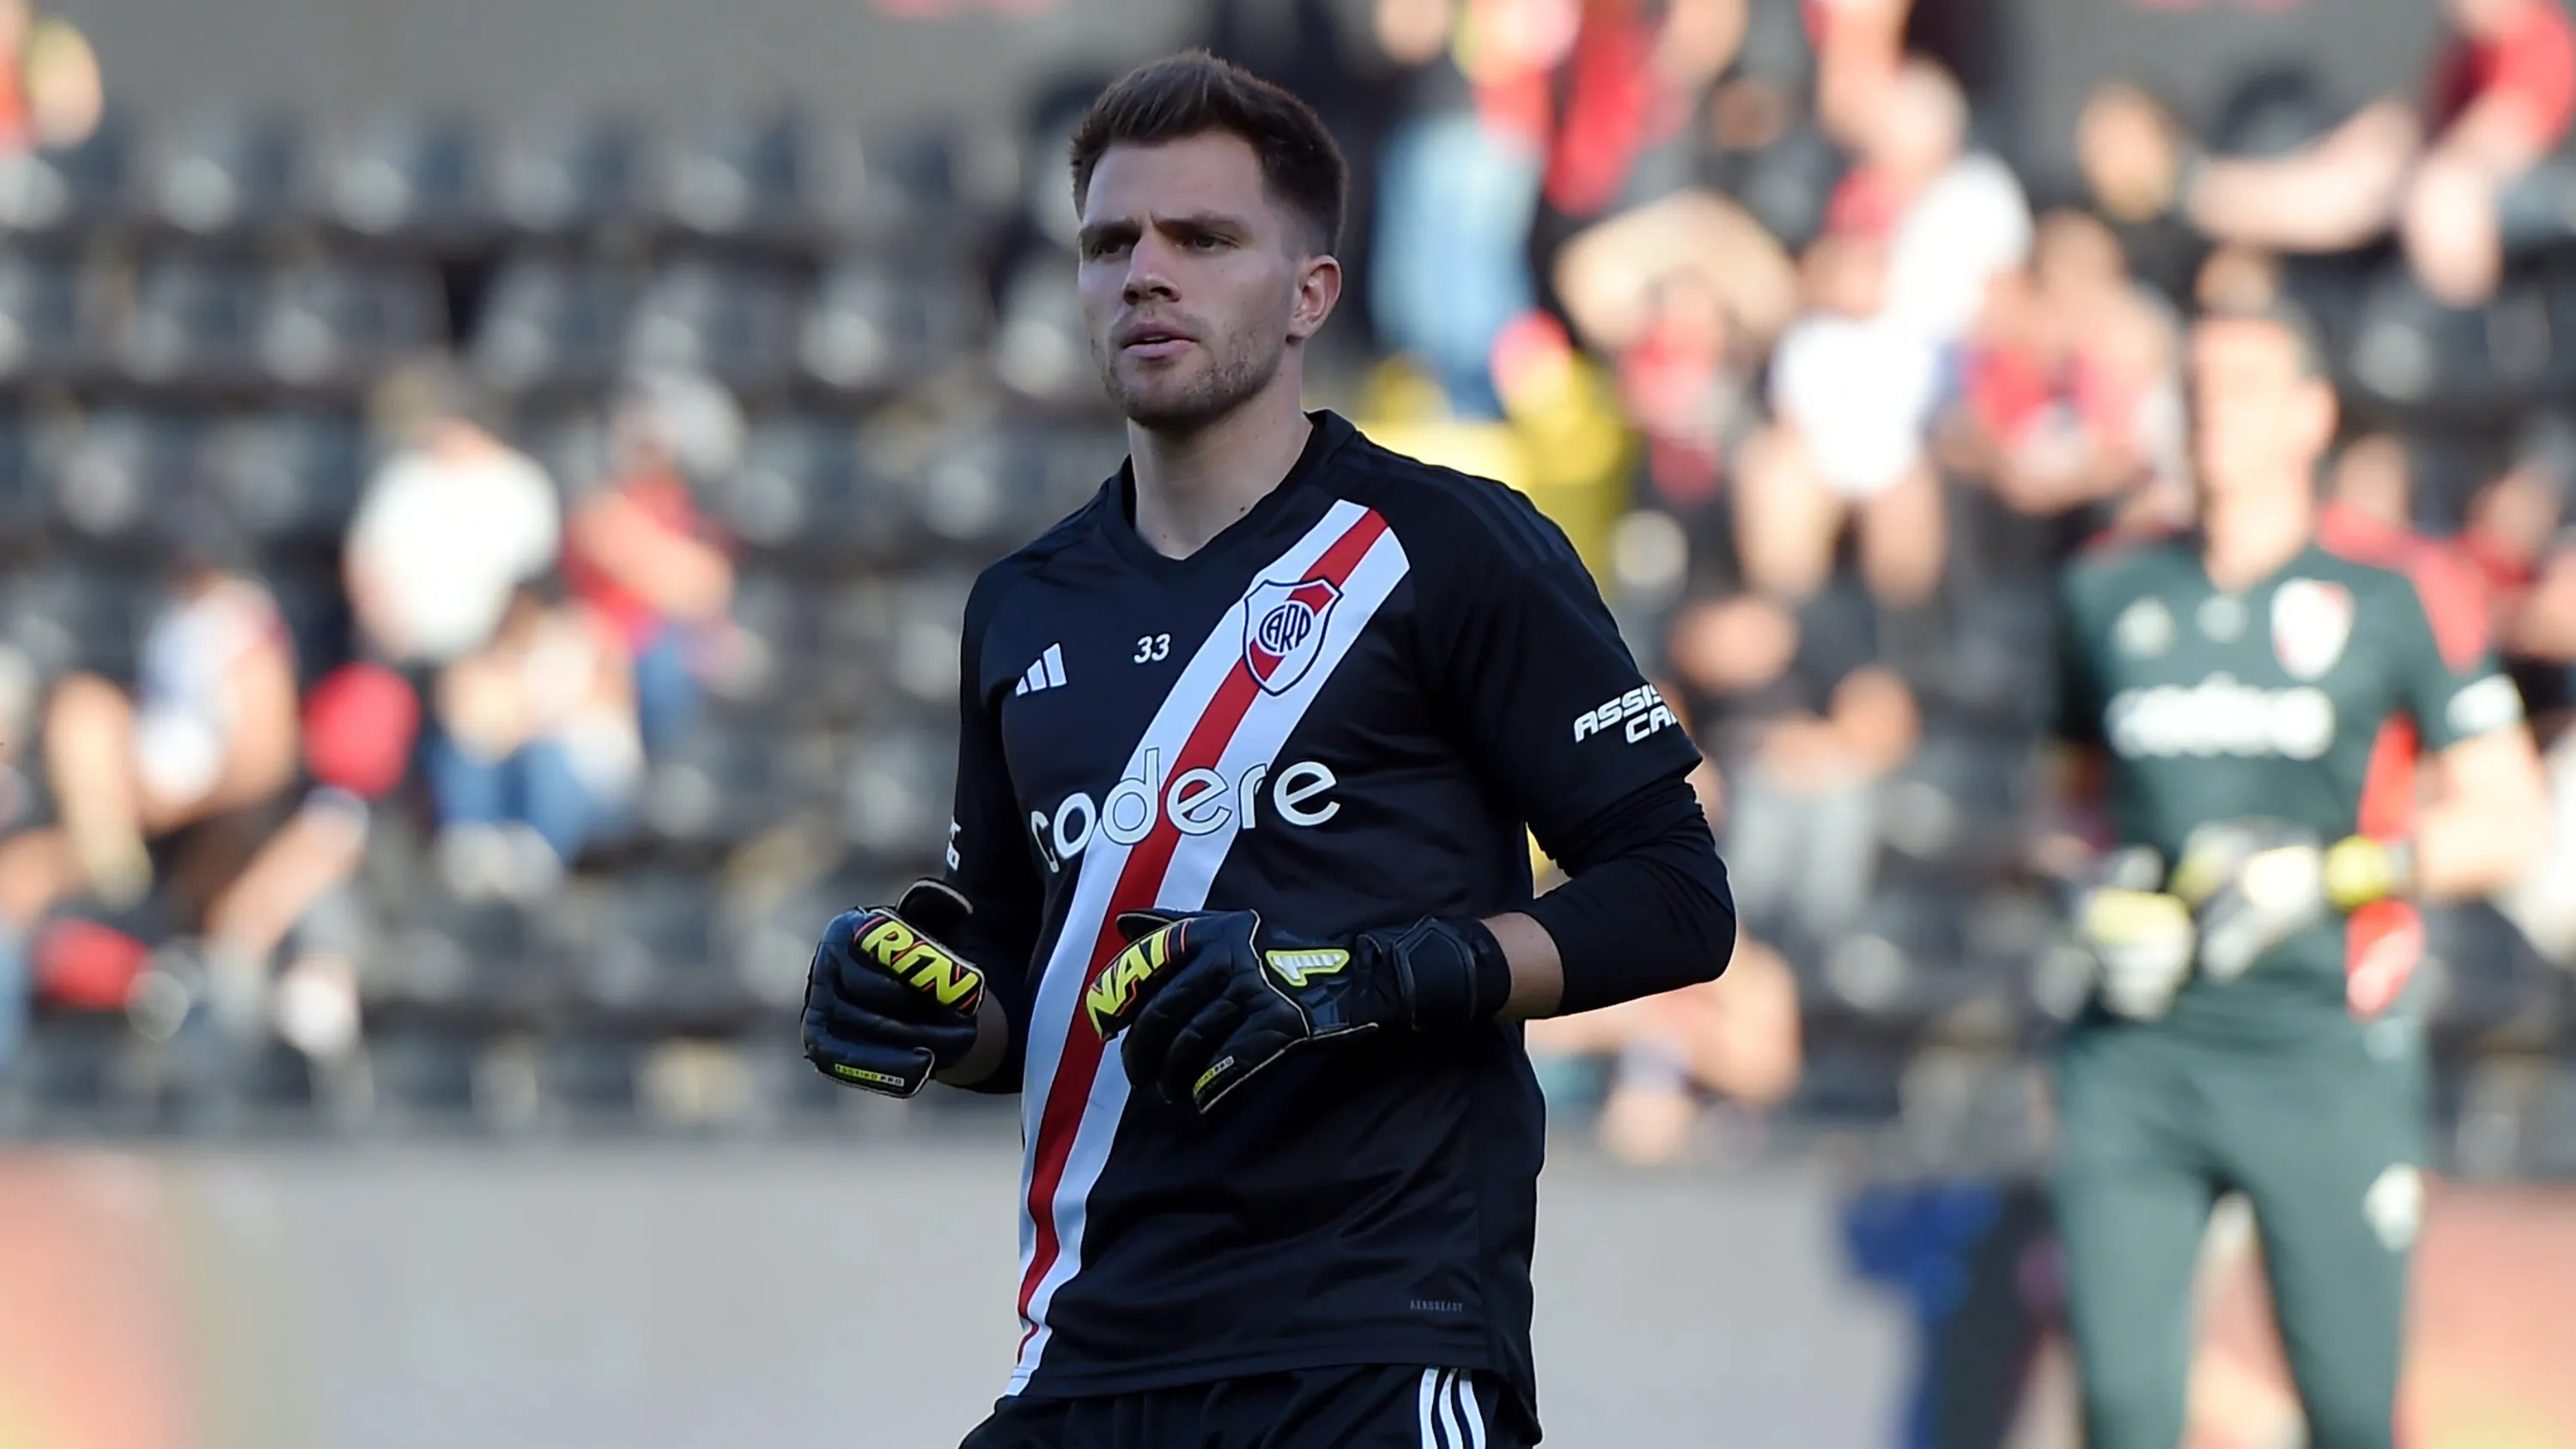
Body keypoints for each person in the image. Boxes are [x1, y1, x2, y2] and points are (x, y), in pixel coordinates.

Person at [798, 52, 1736, 1449]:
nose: (1145, 273)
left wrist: (1369, 980)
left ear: (1311, 293)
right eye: (1111, 242)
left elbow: (1676, 897)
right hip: (1087, 1350)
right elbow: (1022, 983)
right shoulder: (1019, 605)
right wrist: (913, 1003)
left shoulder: (1449, 547)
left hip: (1375, 1340)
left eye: (1204, 238)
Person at [2044, 299, 2550, 1449]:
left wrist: (2328, 875)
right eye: (2198, 386)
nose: (2212, 411)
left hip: (2323, 1049)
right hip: (2139, 1054)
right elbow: (2062, 802)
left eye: (2244, 386)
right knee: (2121, 1407)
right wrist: (2092, 890)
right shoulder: (2108, 589)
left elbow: (2508, 818)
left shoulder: (2396, 588)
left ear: (2311, 414)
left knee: (2353, 1415)